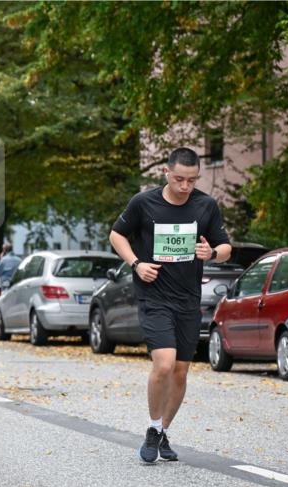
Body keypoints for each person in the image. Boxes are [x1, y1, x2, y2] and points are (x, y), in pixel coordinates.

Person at [109, 147, 231, 464]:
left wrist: (212, 254)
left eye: (192, 180)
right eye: (179, 179)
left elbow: (225, 246)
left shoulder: (205, 205)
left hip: (188, 301)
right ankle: (152, 429)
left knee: (180, 372)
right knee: (163, 364)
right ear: (166, 173)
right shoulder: (144, 203)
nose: (185, 186)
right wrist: (136, 264)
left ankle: (163, 430)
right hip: (154, 297)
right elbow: (116, 235)